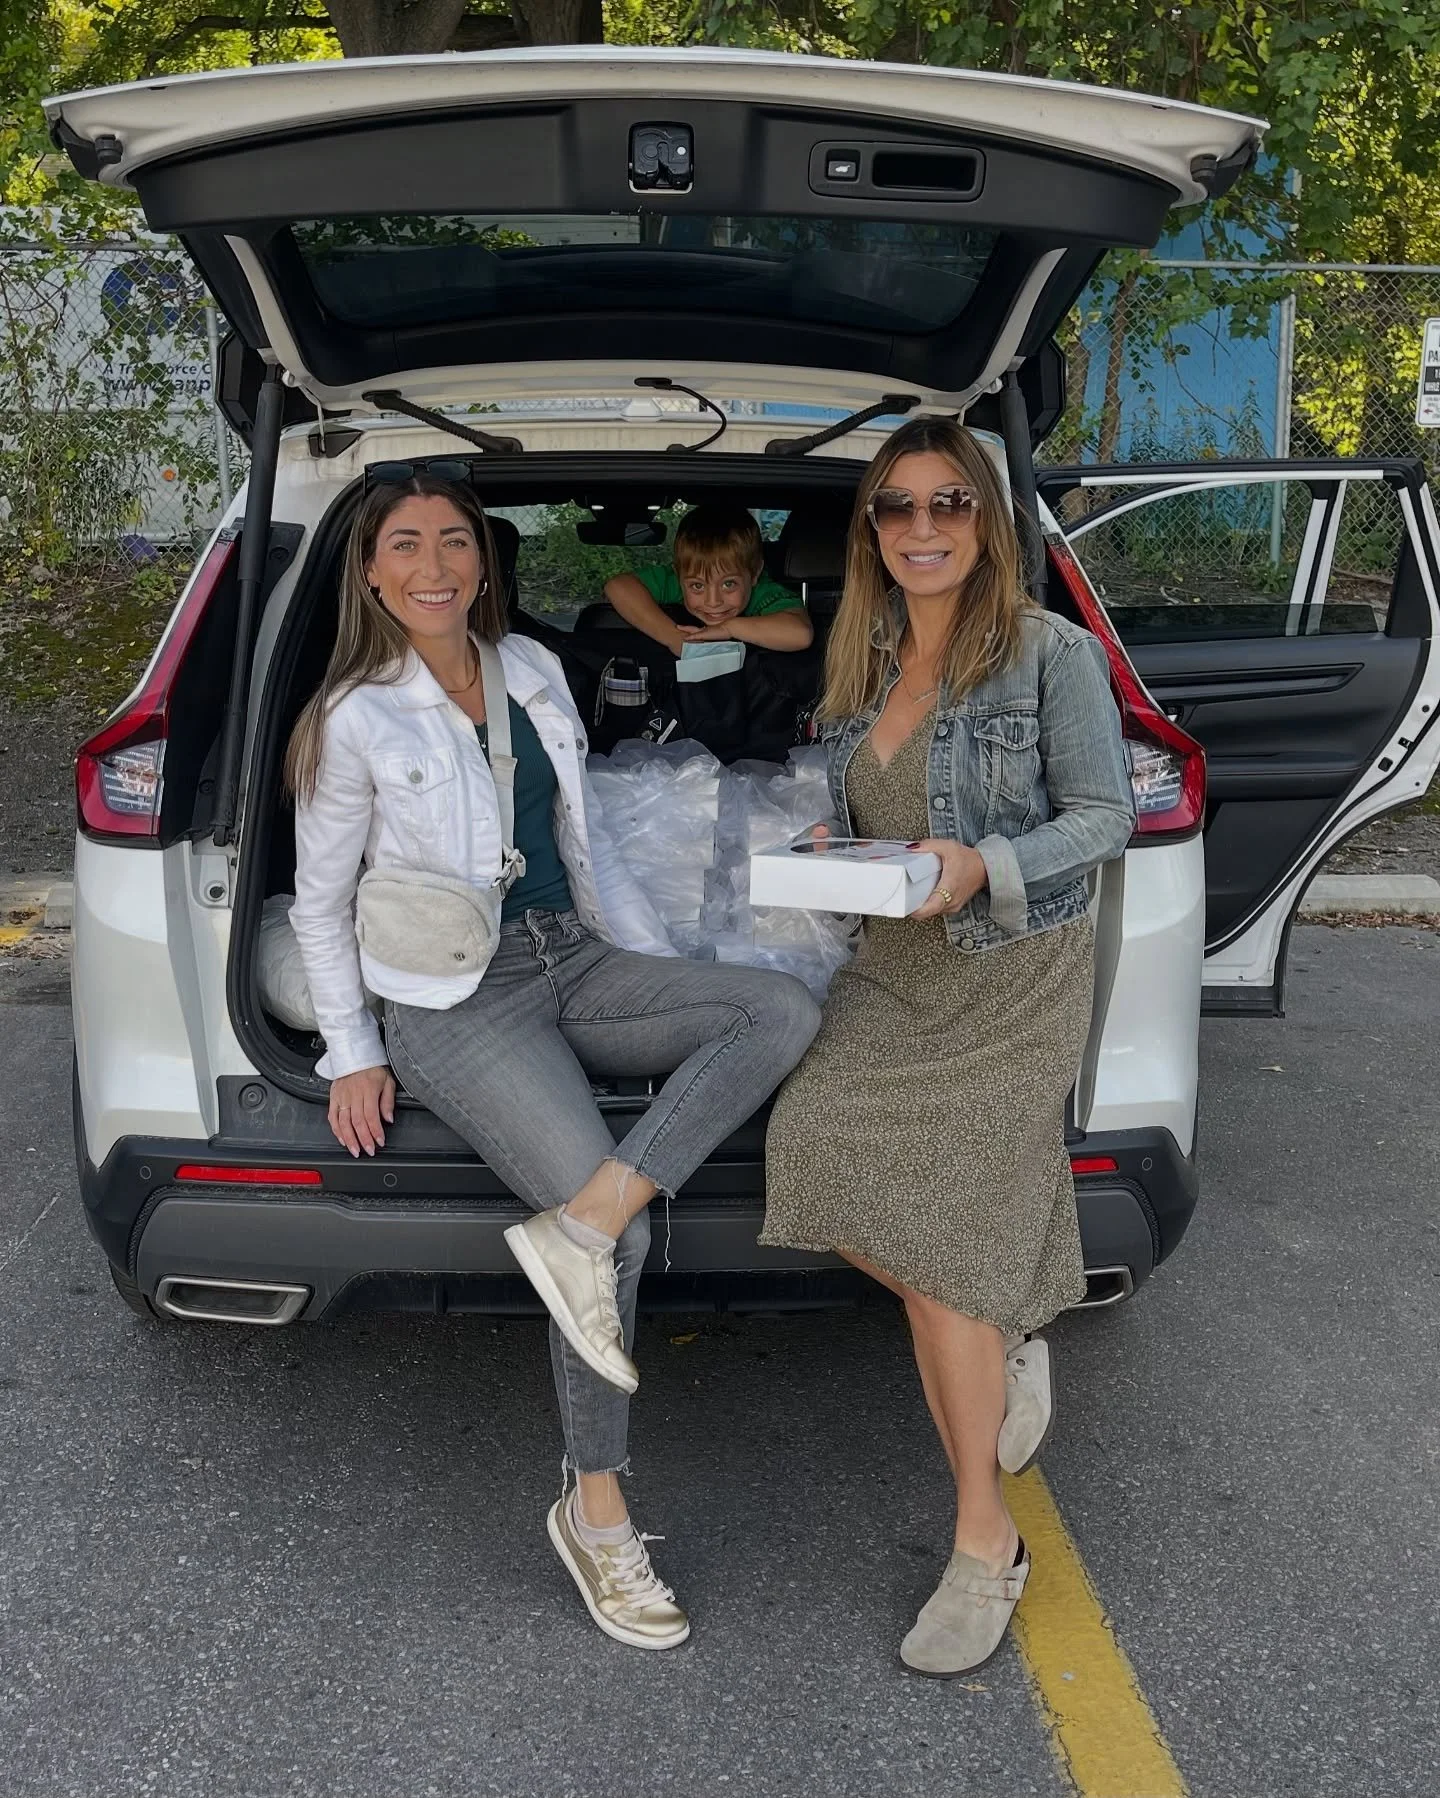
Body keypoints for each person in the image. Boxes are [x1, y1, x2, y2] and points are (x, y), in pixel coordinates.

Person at [286, 469, 820, 1652]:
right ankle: (598, 1509)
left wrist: (655, 960)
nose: (434, 567)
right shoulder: (352, 717)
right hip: (454, 998)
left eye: (455, 544)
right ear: (371, 571)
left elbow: (578, 843)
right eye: (407, 546)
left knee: (774, 1010)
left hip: (574, 953)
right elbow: (322, 907)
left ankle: (575, 1228)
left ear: (486, 560)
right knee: (625, 1244)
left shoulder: (531, 669)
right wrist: (351, 1051)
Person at [761, 418, 1136, 1677]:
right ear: (871, 531)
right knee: (812, 1151)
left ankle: (987, 1544)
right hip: (895, 972)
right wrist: (830, 855)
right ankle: (1014, 1327)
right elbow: (868, 820)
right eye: (898, 509)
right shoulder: (856, 660)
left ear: (988, 520)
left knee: (942, 1259)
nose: (923, 530)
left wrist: (987, 862)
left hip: (1012, 974)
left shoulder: (1047, 654)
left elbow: (1107, 816)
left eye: (949, 507)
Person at [603, 504, 814, 656]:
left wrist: (728, 629)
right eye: (697, 586)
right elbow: (617, 587)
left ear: (755, 572)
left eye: (728, 584)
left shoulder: (768, 594)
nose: (713, 601)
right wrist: (673, 638)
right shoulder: (677, 581)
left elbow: (800, 635)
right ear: (679, 576)